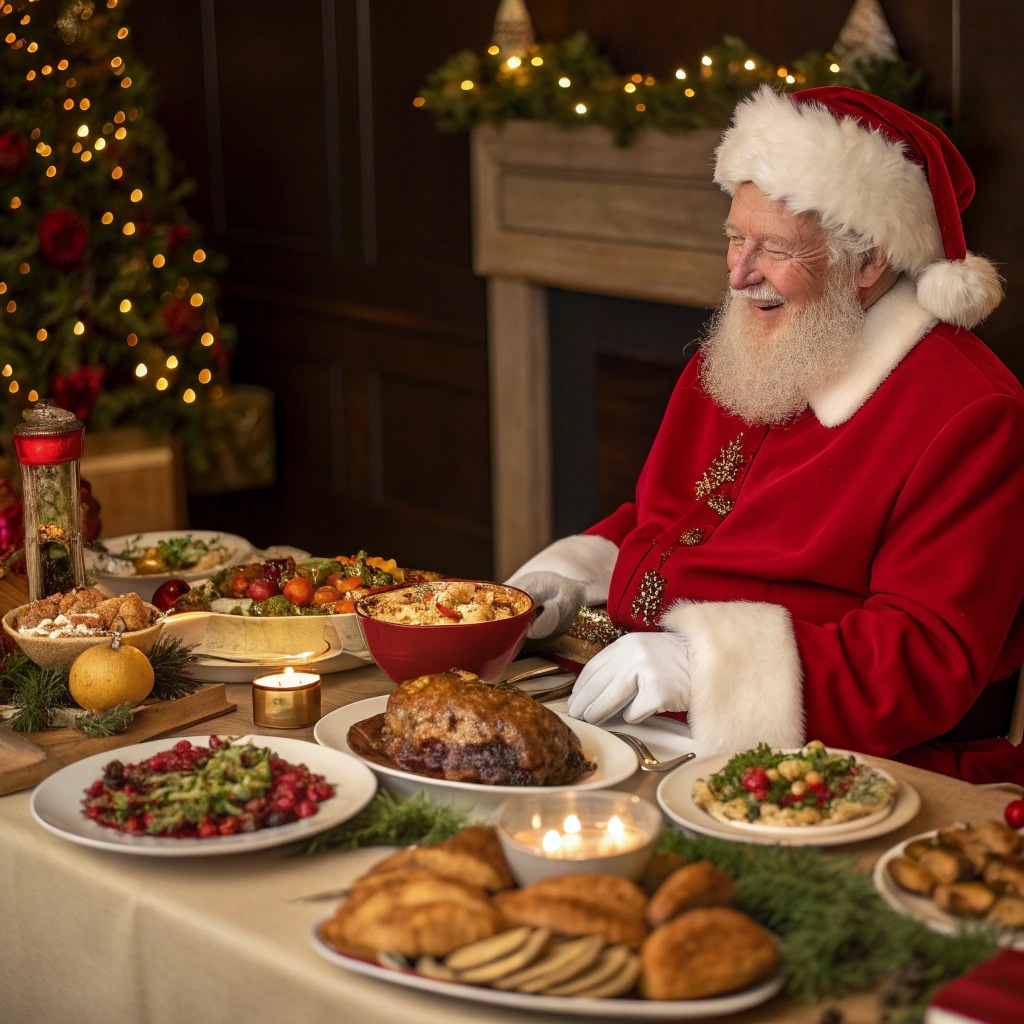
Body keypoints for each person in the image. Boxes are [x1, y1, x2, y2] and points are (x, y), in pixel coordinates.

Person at [507, 85, 1024, 785]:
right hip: (642, 706)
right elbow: (677, 521)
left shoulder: (971, 412)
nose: (739, 273)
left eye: (773, 249)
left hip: (829, 761)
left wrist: (705, 668)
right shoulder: (741, 352)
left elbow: (926, 657)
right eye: (733, 238)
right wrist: (570, 576)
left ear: (868, 260)